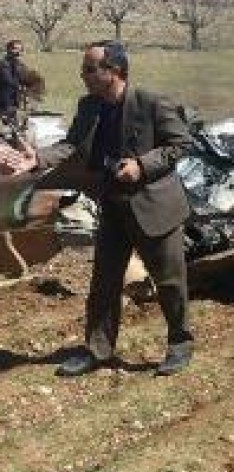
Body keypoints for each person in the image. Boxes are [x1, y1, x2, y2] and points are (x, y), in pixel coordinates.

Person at [0, 40, 195, 377]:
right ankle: (97, 350)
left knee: (169, 282)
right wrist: (37, 158)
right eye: (83, 70)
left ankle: (179, 343)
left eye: (90, 69)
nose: (84, 76)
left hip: (154, 207)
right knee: (103, 282)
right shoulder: (89, 106)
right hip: (113, 206)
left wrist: (142, 165)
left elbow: (181, 144)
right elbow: (71, 145)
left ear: (115, 70)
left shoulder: (150, 102)